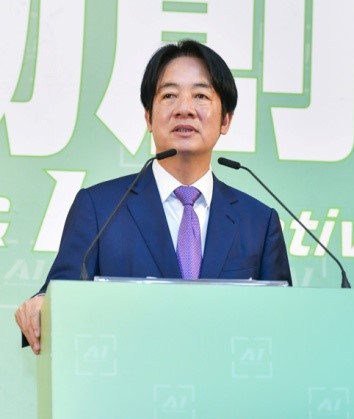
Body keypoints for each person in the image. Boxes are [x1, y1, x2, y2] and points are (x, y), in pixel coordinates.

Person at [15, 40, 292, 354]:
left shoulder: (258, 222)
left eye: (201, 95)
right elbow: (59, 297)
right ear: (148, 117)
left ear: (225, 119)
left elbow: (283, 327)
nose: (184, 108)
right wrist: (41, 304)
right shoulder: (99, 208)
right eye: (169, 95)